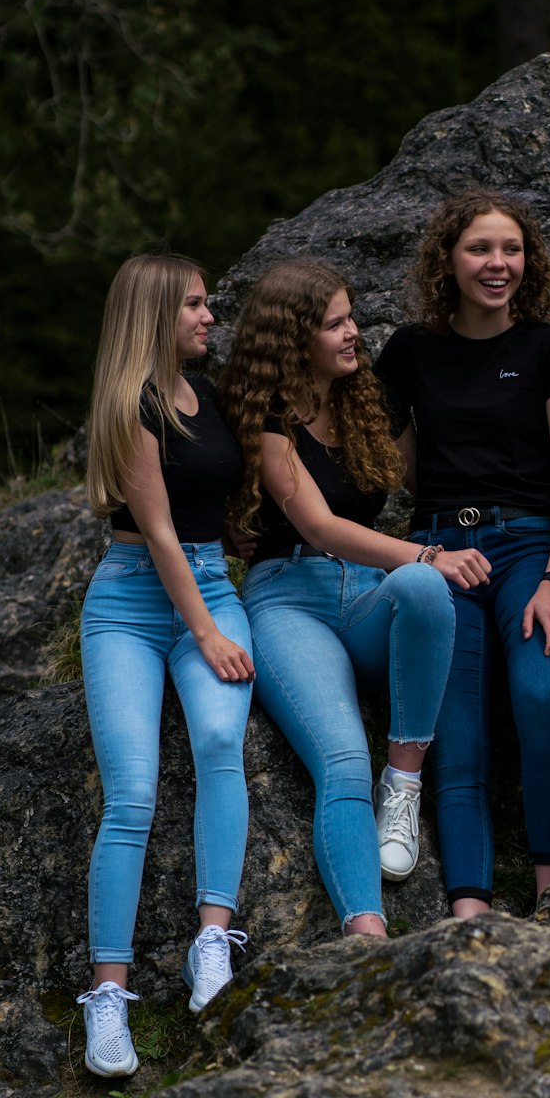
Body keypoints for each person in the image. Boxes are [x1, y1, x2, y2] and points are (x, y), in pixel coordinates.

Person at [219, 262, 490, 937]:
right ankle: (367, 938)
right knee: (340, 758)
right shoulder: (271, 416)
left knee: (425, 589)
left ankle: (402, 781)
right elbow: (318, 525)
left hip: (366, 595)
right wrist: (428, 551)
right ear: (293, 340)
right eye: (335, 322)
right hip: (289, 600)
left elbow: (431, 473)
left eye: (351, 317)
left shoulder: (367, 397)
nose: (352, 333)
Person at [374, 189, 550, 916]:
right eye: (480, 249)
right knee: (456, 728)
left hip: (530, 545)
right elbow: (388, 465)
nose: (498, 264)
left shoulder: (547, 347)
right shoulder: (411, 350)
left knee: (538, 694)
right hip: (441, 550)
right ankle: (471, 904)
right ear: (449, 258)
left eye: (511, 249)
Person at [79, 254, 256, 1079]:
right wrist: (208, 634)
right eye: (194, 304)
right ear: (154, 314)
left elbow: (221, 507)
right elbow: (156, 532)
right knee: (133, 795)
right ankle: (108, 997)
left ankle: (210, 941)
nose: (209, 315)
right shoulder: (130, 404)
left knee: (221, 745)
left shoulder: (207, 393)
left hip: (212, 584)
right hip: (131, 602)